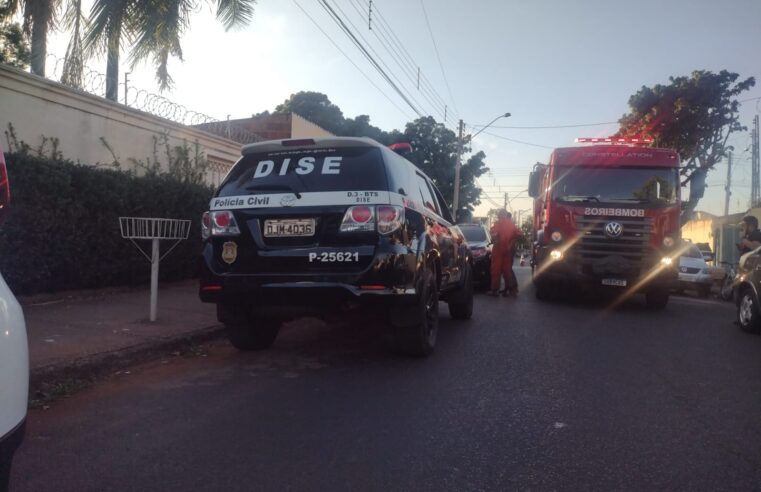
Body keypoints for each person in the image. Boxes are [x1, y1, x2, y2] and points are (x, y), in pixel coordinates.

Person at [489, 209, 522, 296]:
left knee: (496, 270)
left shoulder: (497, 224)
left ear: (500, 215)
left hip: (498, 250)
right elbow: (519, 233)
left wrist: (495, 238)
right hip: (508, 250)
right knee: (507, 271)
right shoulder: (511, 225)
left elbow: (493, 234)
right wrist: (512, 241)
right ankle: (511, 290)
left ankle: (495, 290)